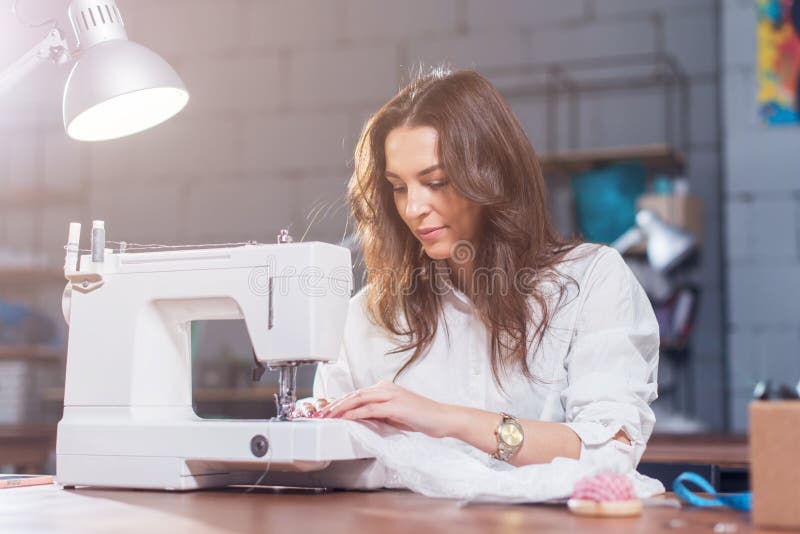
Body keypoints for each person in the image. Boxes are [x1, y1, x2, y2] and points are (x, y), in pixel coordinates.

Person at [312, 68, 659, 470]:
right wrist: (317, 430)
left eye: (436, 181)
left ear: (492, 175)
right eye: (399, 186)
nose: (412, 208)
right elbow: (332, 458)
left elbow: (609, 450)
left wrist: (447, 419)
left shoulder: (591, 282)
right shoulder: (369, 315)